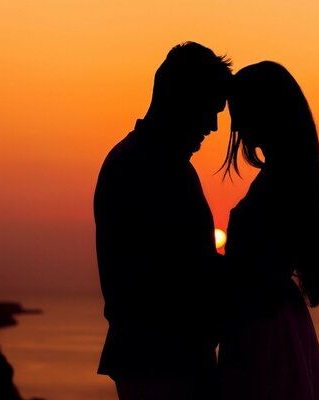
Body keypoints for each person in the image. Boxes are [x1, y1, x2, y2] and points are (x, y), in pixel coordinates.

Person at [93, 41, 232, 400]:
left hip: (163, 361)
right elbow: (174, 273)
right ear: (183, 99)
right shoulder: (146, 168)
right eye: (209, 109)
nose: (215, 126)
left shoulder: (154, 163)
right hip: (162, 365)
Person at [217, 61, 319, 400]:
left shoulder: (278, 187)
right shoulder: (291, 180)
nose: (234, 124)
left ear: (265, 111)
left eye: (240, 112)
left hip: (263, 332)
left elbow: (253, 275)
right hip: (274, 325)